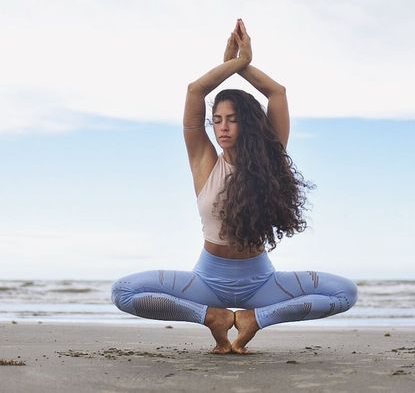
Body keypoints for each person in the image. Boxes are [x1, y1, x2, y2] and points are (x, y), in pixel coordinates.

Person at [111, 19, 358, 354]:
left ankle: (254, 320)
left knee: (346, 293)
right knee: (122, 291)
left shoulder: (270, 157)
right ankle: (212, 318)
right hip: (207, 281)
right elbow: (195, 91)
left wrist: (244, 66)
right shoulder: (204, 162)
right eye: (217, 120)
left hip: (262, 282)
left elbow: (277, 93)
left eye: (232, 119)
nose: (222, 127)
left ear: (249, 122)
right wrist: (234, 64)